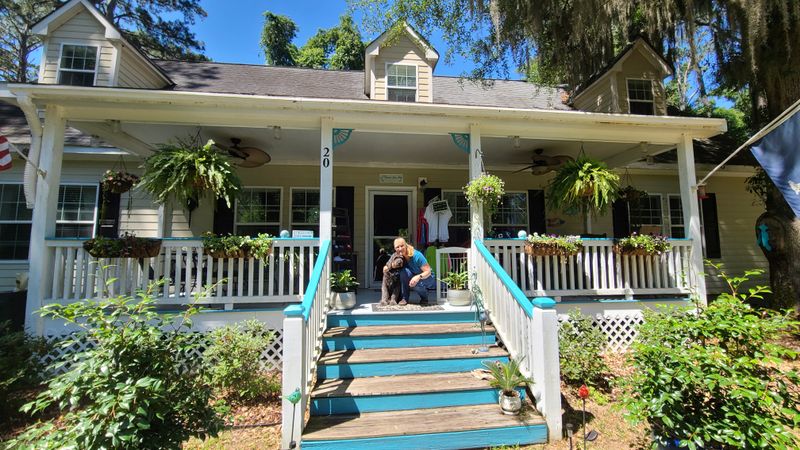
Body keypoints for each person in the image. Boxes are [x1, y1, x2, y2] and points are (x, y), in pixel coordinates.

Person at [386, 237, 435, 306]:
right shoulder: (399, 255)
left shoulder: (417, 255)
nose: (400, 249)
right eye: (397, 247)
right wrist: (391, 265)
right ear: (395, 249)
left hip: (427, 277)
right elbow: (388, 265)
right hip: (414, 275)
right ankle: (405, 298)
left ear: (406, 245)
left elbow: (428, 271)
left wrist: (418, 277)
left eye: (402, 246)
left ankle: (424, 297)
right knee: (403, 272)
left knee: (416, 284)